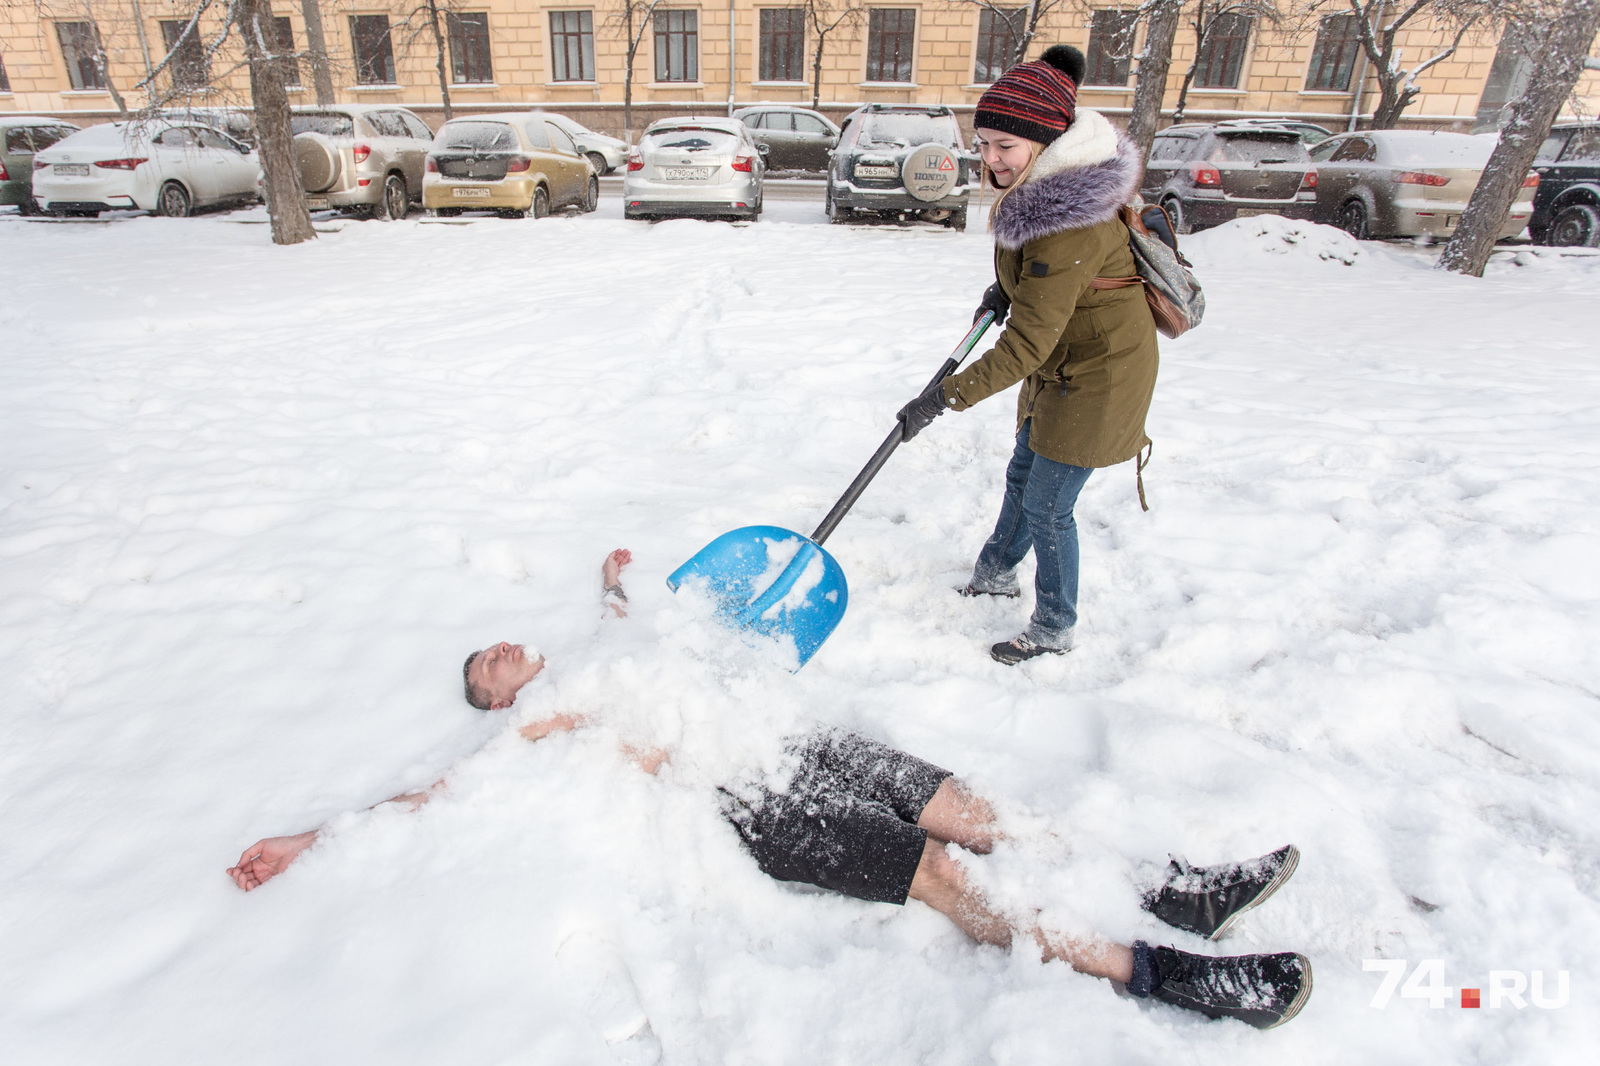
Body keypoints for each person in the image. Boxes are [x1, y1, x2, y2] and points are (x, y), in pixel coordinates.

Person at [229, 548, 1312, 1028]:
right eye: (486, 666)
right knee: (936, 869)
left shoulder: (582, 649)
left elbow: (623, 610)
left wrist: (609, 579)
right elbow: (433, 797)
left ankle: (1167, 884)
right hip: (749, 797)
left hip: (794, 737)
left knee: (971, 811)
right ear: (492, 698)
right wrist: (306, 838)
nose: (500, 652)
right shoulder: (534, 722)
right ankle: (1167, 973)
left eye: (496, 647)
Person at [896, 45, 1160, 665]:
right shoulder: (1049, 189)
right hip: (1065, 361)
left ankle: (1054, 624)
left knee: (1049, 505)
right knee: (1023, 475)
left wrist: (941, 399)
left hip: (1100, 376)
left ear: (1043, 142)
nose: (989, 159)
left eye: (1004, 147)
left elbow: (1027, 343)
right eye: (983, 144)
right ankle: (995, 572)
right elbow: (1050, 290)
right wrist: (1008, 288)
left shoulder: (1067, 219)